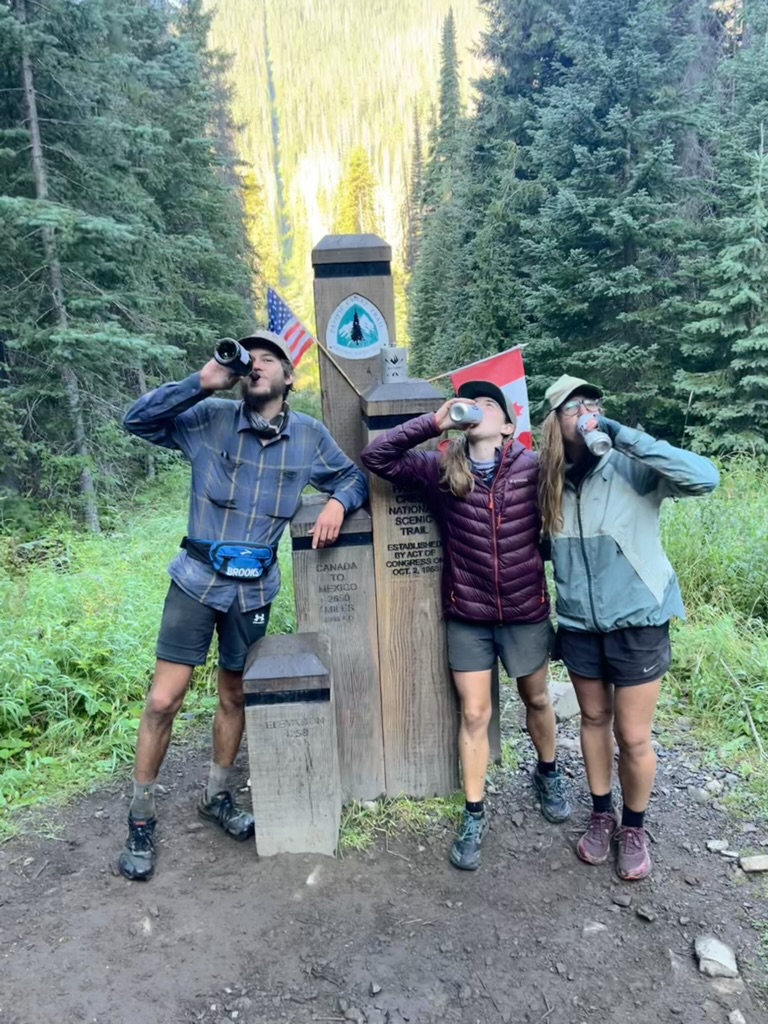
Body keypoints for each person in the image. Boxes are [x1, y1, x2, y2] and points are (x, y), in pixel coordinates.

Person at [118, 331, 367, 881]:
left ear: (287, 377)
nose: (255, 365)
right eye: (247, 359)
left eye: (268, 359)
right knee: (165, 699)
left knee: (236, 694)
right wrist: (202, 382)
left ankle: (217, 795)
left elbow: (351, 476)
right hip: (195, 580)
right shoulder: (207, 418)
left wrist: (335, 503)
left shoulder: (308, 436)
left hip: (254, 590)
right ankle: (140, 817)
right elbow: (137, 421)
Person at [361, 381, 570, 872]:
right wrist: (436, 422)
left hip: (525, 612)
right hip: (468, 615)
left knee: (537, 698)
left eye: (489, 405)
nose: (479, 410)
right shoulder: (441, 469)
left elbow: (572, 481)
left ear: (508, 425)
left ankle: (548, 771)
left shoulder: (533, 468)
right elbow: (378, 456)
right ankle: (474, 813)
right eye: (470, 404)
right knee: (474, 715)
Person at [538, 375, 719, 881]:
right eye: (574, 407)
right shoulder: (547, 480)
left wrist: (623, 434)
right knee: (593, 722)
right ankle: (602, 814)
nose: (587, 412)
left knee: (633, 735)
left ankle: (634, 827)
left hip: (638, 621)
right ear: (555, 422)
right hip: (578, 625)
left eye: (593, 403)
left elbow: (705, 478)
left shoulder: (632, 464)